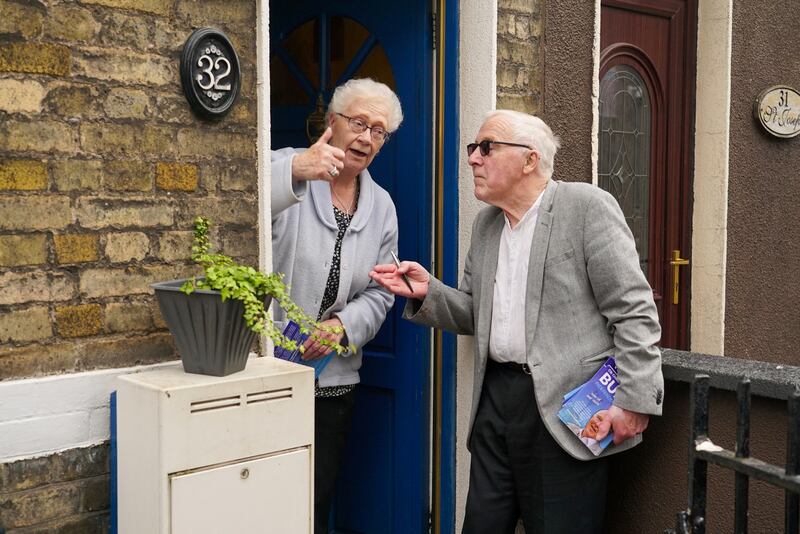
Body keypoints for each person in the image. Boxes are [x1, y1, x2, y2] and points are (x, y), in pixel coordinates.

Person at [370, 110, 663, 533]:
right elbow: (478, 312)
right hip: (495, 401)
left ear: (530, 160)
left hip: (566, 406)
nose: (473, 158)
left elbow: (633, 310)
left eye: (486, 147)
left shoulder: (585, 207)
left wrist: (634, 401)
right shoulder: (487, 224)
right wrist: (428, 292)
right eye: (473, 148)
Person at [271, 78, 402, 534]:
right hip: (269, 367)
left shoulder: (382, 206)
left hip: (333, 379)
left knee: (316, 496)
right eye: (359, 123)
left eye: (379, 131)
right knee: (265, 490)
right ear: (332, 123)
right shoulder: (287, 168)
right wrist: (295, 171)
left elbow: (383, 290)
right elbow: (239, 205)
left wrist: (343, 328)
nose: (366, 138)